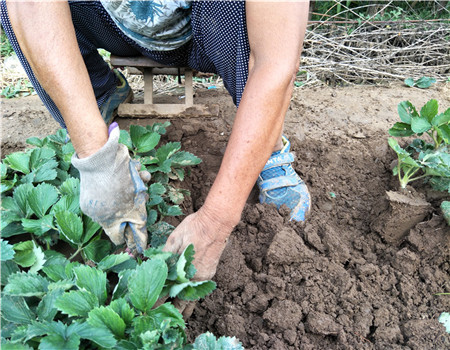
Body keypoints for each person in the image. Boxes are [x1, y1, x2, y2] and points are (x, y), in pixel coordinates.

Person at [1, 0, 311, 306]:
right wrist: (97, 157)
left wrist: (215, 221)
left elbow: (276, 60)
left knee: (243, 14)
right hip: (116, 23)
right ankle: (100, 95)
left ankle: (266, 147)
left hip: (210, 25)